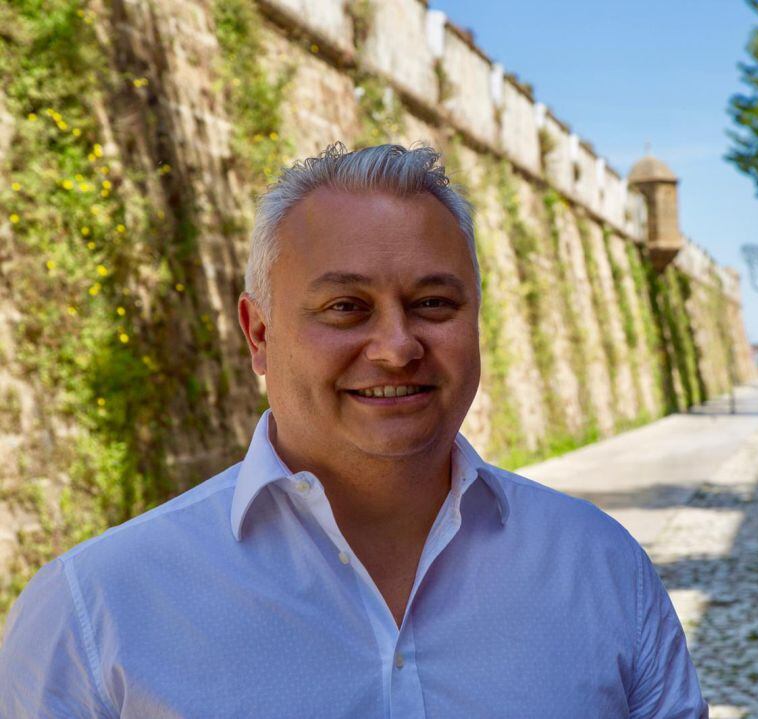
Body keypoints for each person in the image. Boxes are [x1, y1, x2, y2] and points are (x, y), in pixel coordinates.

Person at [0, 143, 707, 718]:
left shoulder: (603, 570)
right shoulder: (93, 614)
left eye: (433, 303)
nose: (397, 347)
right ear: (258, 334)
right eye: (346, 306)